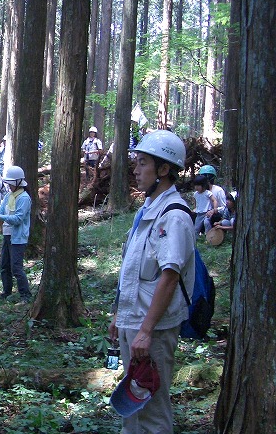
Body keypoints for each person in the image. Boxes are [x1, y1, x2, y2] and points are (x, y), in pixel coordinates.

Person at [108, 130, 195, 433]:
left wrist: (145, 331)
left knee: (153, 409)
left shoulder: (174, 216)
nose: (136, 170)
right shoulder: (147, 211)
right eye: (136, 162)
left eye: (143, 163)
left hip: (152, 329)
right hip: (135, 323)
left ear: (164, 169)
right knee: (133, 404)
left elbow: (169, 278)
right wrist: (120, 314)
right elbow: (133, 271)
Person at [0, 165, 32, 303]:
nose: (9, 185)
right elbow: (1, 210)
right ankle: (7, 292)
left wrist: (1, 217)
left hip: (18, 237)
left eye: (11, 183)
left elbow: (18, 219)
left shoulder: (24, 198)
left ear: (18, 182)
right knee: (4, 265)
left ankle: (25, 295)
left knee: (16, 268)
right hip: (8, 235)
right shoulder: (9, 195)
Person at [198, 165, 227, 232]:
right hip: (204, 214)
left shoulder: (218, 190)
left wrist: (214, 210)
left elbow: (224, 207)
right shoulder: (200, 191)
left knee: (213, 217)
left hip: (216, 215)